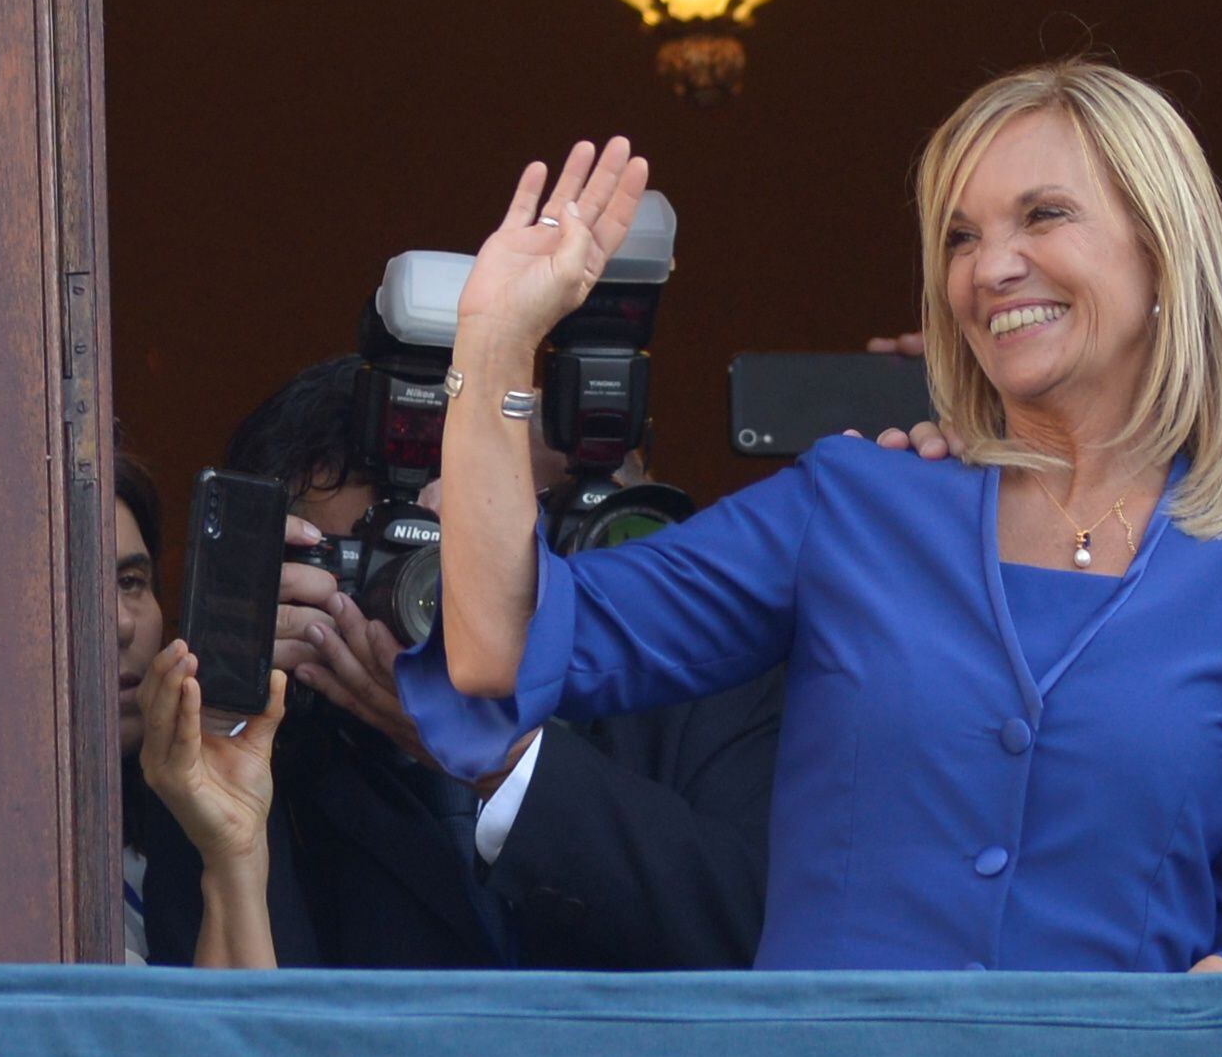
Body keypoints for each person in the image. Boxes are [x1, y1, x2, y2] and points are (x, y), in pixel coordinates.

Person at [423, 65, 1222, 975]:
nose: (989, 268)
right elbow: (500, 643)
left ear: (1160, 247)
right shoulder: (857, 501)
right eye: (957, 237)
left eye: (1043, 214)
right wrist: (497, 338)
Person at [224, 361, 782, 968]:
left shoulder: (701, 675)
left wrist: (513, 766)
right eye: (386, 557)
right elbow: (232, 1033)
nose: (442, 603)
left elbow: (762, 944)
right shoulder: (268, 746)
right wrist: (235, 697)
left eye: (473, 544)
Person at [110, 457, 285, 969]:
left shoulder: (169, 825)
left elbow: (238, 1041)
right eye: (72, 578)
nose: (123, 624)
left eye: (131, 581)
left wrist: (234, 851)